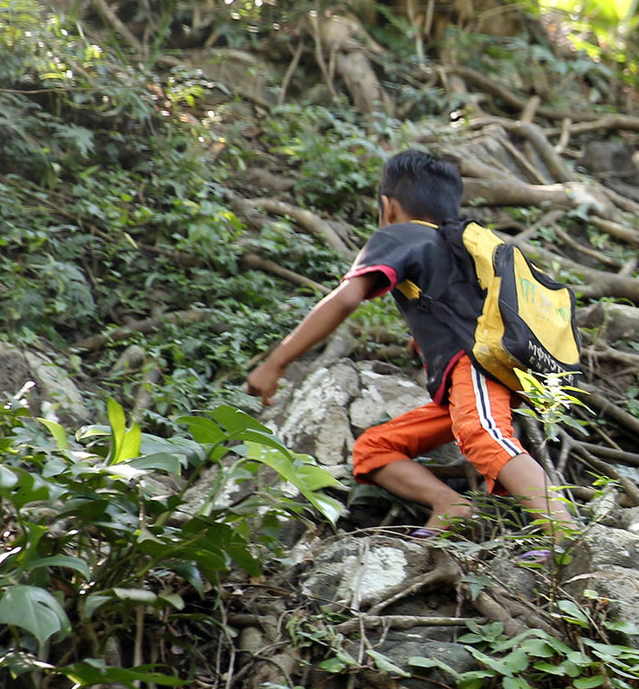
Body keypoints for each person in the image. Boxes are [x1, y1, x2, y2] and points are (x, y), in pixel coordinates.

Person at [244, 150, 570, 536]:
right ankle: (450, 503)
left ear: (387, 206)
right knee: (374, 449)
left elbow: (347, 298)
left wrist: (276, 362)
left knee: (484, 434)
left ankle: (565, 539)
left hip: (478, 368)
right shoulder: (459, 245)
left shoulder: (401, 233)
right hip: (487, 375)